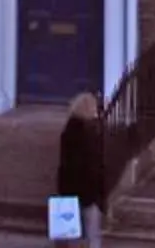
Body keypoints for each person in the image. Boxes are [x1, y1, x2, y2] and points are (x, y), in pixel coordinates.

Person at [55, 91, 109, 248]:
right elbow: (95, 166)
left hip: (69, 190)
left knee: (70, 236)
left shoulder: (68, 132)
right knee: (92, 235)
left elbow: (65, 164)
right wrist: (101, 194)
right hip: (89, 193)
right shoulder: (91, 133)